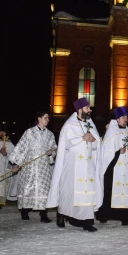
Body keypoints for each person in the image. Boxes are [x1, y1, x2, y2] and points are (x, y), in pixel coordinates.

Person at [47, 98, 102, 231]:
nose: (90, 110)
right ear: (80, 109)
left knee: (87, 191)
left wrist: (94, 140)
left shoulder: (90, 124)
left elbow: (96, 146)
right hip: (73, 164)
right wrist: (82, 138)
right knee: (69, 192)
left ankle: (86, 221)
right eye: (87, 108)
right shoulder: (69, 125)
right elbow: (67, 144)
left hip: (87, 165)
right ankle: (61, 213)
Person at [96, 106, 128, 226]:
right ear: (117, 119)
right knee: (110, 190)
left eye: (126, 117)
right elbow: (105, 152)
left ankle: (126, 217)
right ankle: (104, 214)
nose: (126, 119)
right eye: (123, 117)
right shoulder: (112, 133)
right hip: (114, 169)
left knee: (127, 190)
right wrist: (117, 152)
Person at [9, 111, 57, 222]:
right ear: (39, 118)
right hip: (30, 164)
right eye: (45, 118)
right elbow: (22, 148)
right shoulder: (29, 132)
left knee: (43, 188)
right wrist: (16, 163)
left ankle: (43, 214)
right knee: (28, 187)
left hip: (43, 166)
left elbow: (54, 147)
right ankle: (25, 211)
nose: (47, 120)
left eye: (48, 118)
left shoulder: (50, 134)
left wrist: (51, 152)